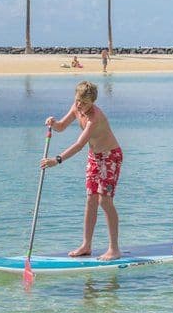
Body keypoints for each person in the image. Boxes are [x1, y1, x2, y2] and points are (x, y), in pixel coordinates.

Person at [40, 81, 123, 260]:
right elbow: (61, 126)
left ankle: (114, 249)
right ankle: (86, 245)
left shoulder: (95, 117)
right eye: (78, 100)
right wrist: (53, 123)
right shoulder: (76, 107)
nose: (79, 105)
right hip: (94, 157)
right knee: (91, 200)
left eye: (84, 103)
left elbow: (79, 145)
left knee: (105, 201)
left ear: (92, 102)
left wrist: (57, 160)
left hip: (110, 157)